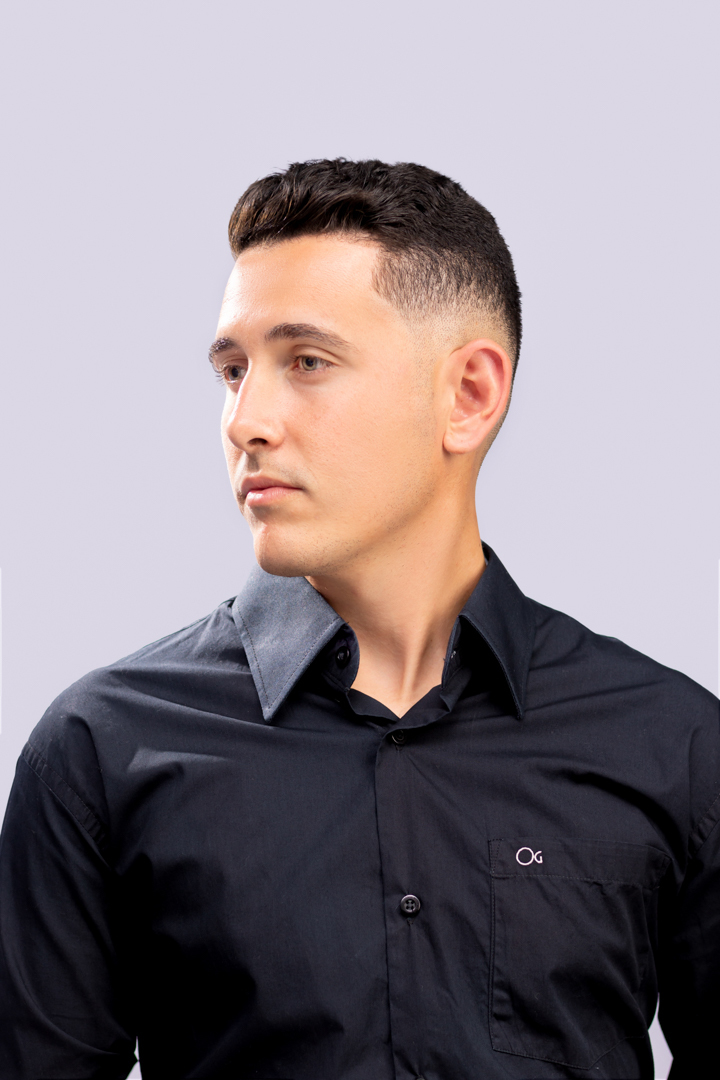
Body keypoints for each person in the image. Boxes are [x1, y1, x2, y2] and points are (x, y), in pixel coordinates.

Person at [0, 159, 717, 1080]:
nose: (245, 421)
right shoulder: (98, 751)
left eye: (306, 361)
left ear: (469, 395)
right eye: (232, 370)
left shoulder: (674, 744)